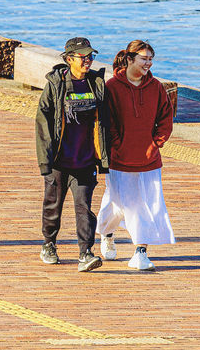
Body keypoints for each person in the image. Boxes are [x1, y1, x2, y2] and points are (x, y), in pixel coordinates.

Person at [96, 39, 175, 271]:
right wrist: (117, 146)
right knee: (117, 203)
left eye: (151, 59)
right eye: (144, 59)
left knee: (147, 204)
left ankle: (140, 252)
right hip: (120, 159)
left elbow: (165, 118)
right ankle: (107, 233)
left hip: (150, 159)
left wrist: (156, 142)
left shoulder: (156, 87)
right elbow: (106, 123)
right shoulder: (112, 87)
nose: (148, 63)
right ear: (130, 59)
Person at [35, 36, 109, 272]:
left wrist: (104, 157)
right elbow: (43, 123)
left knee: (84, 208)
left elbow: (105, 123)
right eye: (83, 57)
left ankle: (85, 254)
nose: (88, 61)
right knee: (53, 206)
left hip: (86, 161)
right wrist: (45, 161)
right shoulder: (55, 85)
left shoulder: (96, 84)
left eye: (91, 57)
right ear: (69, 59)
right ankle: (49, 243)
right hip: (59, 160)